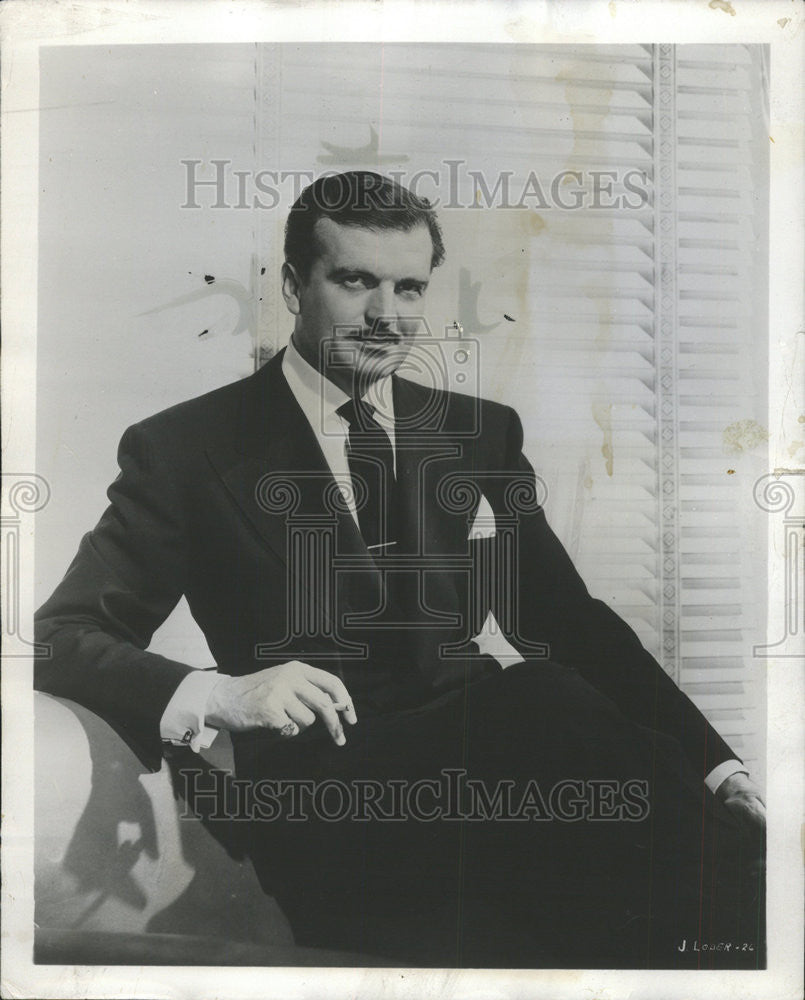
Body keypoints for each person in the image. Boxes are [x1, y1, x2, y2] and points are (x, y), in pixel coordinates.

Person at [35, 170, 765, 968]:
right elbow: (61, 634)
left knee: (633, 865)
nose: (387, 316)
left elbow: (564, 620)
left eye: (409, 289)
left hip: (501, 793)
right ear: (292, 284)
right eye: (355, 281)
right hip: (334, 807)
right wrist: (220, 693)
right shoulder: (186, 449)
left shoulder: (475, 433)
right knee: (546, 707)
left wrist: (714, 763)